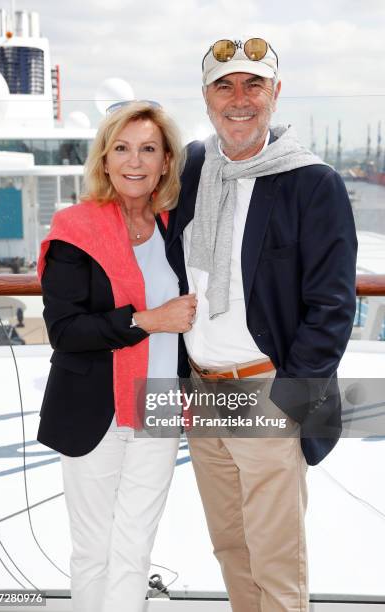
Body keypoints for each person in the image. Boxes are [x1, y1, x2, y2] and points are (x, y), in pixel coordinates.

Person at [166, 38, 358, 612]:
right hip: (203, 389)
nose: (239, 99)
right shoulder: (195, 166)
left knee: (276, 558)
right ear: (206, 98)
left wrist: (290, 398)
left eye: (254, 84)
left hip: (266, 389)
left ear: (276, 93)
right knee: (230, 546)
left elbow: (332, 306)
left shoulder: (311, 182)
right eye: (224, 85)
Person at [37, 101, 196, 612]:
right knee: (93, 551)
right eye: (122, 148)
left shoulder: (178, 228)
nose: (135, 161)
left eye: (148, 149)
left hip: (161, 403)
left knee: (135, 547)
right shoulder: (75, 227)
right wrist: (148, 320)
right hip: (93, 406)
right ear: (104, 160)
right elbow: (65, 330)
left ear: (166, 161)